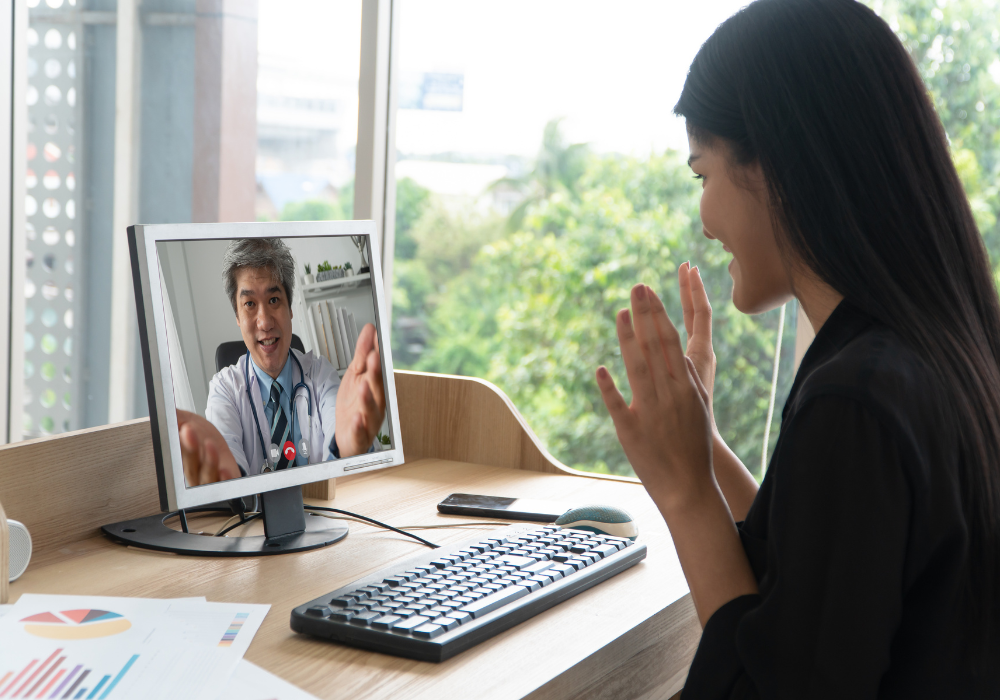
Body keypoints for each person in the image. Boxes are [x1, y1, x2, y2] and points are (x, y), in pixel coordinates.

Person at [595, 0, 1000, 696]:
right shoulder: (927, 356)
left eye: (704, 175)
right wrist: (706, 449)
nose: (705, 218)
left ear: (780, 167)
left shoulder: (856, 402)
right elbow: (821, 573)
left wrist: (688, 494)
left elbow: (771, 680)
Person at [176, 238, 386, 486]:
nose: (264, 322)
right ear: (237, 316)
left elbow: (339, 428)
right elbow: (228, 456)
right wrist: (228, 482)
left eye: (274, 300)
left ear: (290, 308)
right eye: (250, 304)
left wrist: (347, 448)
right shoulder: (224, 388)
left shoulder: (319, 373)